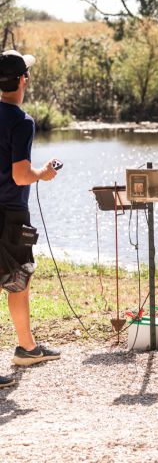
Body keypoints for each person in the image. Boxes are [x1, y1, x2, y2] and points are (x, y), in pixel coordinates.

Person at [0, 50, 61, 389]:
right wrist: (44, 173)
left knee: (17, 280)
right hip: (10, 213)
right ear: (23, 80)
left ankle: (27, 347)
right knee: (17, 279)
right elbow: (22, 176)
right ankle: (25, 347)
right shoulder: (21, 122)